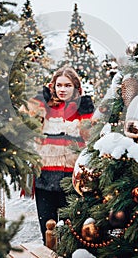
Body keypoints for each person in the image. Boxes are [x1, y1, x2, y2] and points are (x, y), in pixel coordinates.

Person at [19, 65, 94, 244]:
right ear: (53, 86)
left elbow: (90, 138)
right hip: (45, 178)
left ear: (76, 87)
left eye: (67, 85)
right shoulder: (45, 107)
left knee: (72, 233)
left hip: (72, 181)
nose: (62, 89)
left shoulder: (82, 108)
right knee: (48, 231)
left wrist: (87, 114)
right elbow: (24, 120)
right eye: (59, 85)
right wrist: (35, 100)